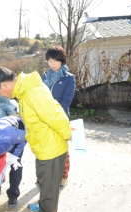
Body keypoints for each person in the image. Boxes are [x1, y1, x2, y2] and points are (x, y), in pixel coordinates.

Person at [0, 66, 71, 212]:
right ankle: (45, 205)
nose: (1, 95)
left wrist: (68, 134)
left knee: (49, 186)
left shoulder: (32, 93)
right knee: (45, 181)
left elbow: (55, 115)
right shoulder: (25, 90)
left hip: (51, 147)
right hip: (43, 145)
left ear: (4, 85)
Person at [42, 46, 76, 188]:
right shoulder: (44, 76)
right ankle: (46, 176)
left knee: (62, 148)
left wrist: (54, 116)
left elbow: (67, 100)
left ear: (61, 60)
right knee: (45, 147)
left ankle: (63, 176)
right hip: (44, 118)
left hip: (60, 117)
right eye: (50, 60)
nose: (52, 63)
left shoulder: (69, 78)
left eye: (55, 60)